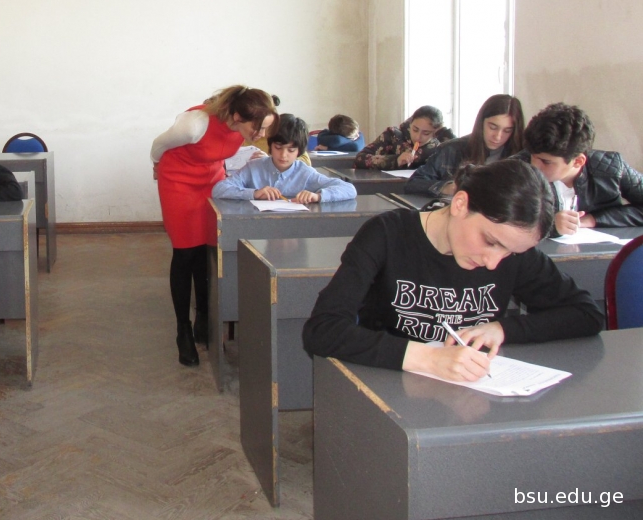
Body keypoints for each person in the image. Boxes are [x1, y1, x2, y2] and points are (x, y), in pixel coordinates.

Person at [302, 158, 602, 382]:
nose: (494, 262)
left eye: (511, 253)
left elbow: (586, 314)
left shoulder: (511, 251)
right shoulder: (387, 235)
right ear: (460, 204)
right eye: (490, 242)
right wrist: (429, 359)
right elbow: (322, 330)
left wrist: (502, 329)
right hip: (388, 385)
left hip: (472, 391)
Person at [151, 85, 278, 367]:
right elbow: (158, 145)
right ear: (237, 117)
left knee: (208, 249)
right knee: (186, 252)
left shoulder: (242, 126)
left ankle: (204, 318)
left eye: (265, 128)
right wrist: (156, 166)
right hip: (178, 182)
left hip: (211, 181)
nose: (261, 134)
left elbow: (223, 151)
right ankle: (183, 329)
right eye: (257, 128)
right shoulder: (195, 124)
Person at [523, 102, 643, 235]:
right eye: (532, 156)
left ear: (578, 161)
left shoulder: (610, 167)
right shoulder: (518, 168)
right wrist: (550, 226)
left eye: (546, 162)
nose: (534, 165)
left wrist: (593, 219)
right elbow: (506, 222)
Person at [213, 114, 357, 204]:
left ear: (299, 151)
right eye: (278, 147)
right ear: (270, 146)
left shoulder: (305, 173)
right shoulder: (254, 167)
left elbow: (349, 189)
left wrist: (317, 196)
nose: (283, 155)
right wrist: (254, 193)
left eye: (291, 150)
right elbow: (219, 189)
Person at [406, 95, 525, 196]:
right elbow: (413, 183)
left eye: (507, 130)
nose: (498, 136)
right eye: (493, 127)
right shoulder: (452, 150)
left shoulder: (523, 156)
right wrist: (445, 188)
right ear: (481, 123)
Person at [353, 105, 447, 170]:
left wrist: (445, 132)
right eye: (415, 130)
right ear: (410, 123)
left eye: (426, 133)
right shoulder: (393, 135)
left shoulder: (440, 146)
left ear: (435, 132)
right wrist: (396, 160)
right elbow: (360, 158)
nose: (418, 137)